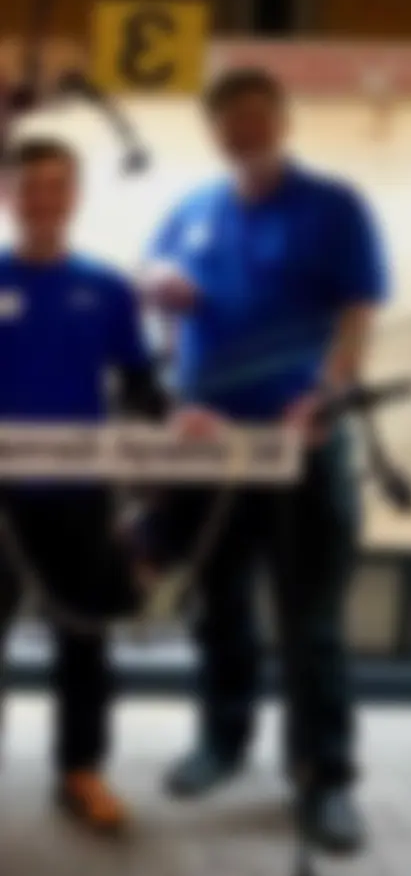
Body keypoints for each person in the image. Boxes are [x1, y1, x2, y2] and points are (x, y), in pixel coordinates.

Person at [137, 67, 387, 851]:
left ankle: (326, 778)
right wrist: (159, 294)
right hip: (211, 444)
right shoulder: (193, 211)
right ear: (219, 131)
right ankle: (223, 741)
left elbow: (354, 314)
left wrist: (326, 394)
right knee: (219, 605)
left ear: (279, 120)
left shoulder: (331, 208)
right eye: (230, 120)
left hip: (304, 440)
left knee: (310, 619)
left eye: (256, 116)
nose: (244, 130)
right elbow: (158, 297)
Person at [0, 137, 165, 833]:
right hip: (2, 501)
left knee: (85, 638)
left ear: (71, 197)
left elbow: (138, 385)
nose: (43, 198)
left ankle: (80, 772)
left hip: (81, 494)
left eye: (56, 185)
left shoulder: (104, 287)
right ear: (11, 195)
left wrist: (177, 430)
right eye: (29, 185)